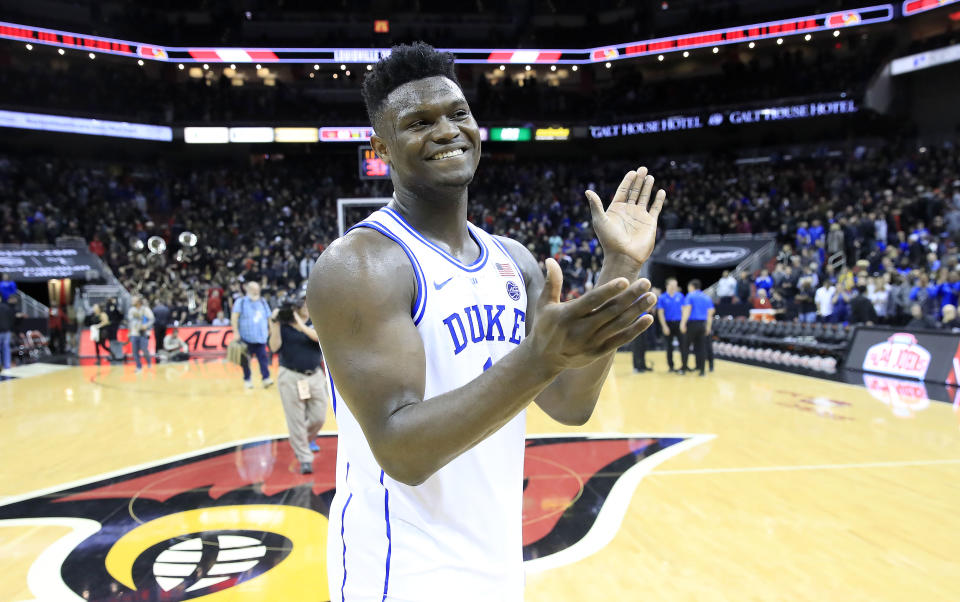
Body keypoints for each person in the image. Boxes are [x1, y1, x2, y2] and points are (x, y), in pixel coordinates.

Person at [306, 43, 663, 602]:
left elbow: (570, 403)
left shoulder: (512, 260)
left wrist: (619, 265)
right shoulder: (361, 265)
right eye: (419, 122)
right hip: (400, 566)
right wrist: (538, 358)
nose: (446, 130)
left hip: (496, 560)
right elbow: (402, 452)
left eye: (457, 114)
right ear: (380, 148)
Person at [268, 297, 328, 475]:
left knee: (319, 417)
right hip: (290, 376)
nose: (306, 307)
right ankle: (305, 458)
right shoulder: (283, 325)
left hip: (315, 376)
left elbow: (318, 338)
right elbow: (274, 347)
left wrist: (300, 324)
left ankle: (301, 440)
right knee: (296, 420)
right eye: (302, 304)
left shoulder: (317, 321)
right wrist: (274, 323)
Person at [231, 281, 273, 388]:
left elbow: (269, 317)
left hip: (261, 337)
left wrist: (271, 330)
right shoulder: (241, 302)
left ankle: (266, 378)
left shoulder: (263, 302)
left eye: (257, 289)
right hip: (246, 337)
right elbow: (234, 317)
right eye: (254, 289)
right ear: (248, 290)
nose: (256, 291)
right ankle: (247, 379)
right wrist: (236, 332)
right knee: (245, 360)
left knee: (263, 358)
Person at [680, 279, 715, 376]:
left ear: (691, 287)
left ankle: (683, 369)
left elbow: (687, 310)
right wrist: (708, 327)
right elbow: (710, 313)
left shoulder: (690, 296)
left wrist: (683, 323)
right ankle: (702, 371)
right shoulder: (706, 297)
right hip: (702, 324)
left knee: (686, 346)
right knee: (701, 348)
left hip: (692, 324)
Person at [656, 277, 688, 373]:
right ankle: (671, 366)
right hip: (668, 324)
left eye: (675, 285)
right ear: (667, 285)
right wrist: (664, 326)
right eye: (672, 285)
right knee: (669, 347)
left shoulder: (680, 296)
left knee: (683, 345)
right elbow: (660, 313)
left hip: (679, 323)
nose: (674, 287)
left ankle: (684, 366)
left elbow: (684, 311)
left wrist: (683, 323)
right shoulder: (662, 297)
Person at [127, 295, 154, 372]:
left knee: (144, 349)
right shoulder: (131, 310)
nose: (132, 302)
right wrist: (129, 332)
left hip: (143, 333)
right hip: (134, 333)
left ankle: (149, 363)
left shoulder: (145, 309)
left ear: (138, 302)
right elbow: (130, 322)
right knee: (135, 351)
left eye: (134, 300)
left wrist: (146, 326)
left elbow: (152, 319)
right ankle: (139, 367)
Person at [0, 294, 14, 370]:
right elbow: (11, 319)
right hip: (7, 331)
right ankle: (7, 365)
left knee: (4, 348)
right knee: (6, 348)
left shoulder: (6, 307)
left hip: (2, 331)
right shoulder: (7, 307)